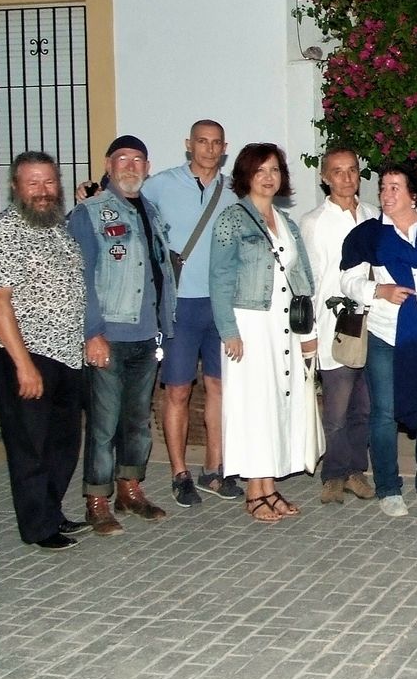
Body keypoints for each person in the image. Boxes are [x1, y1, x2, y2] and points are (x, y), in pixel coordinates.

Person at [68, 135, 177, 534]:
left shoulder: (152, 211)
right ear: (109, 165)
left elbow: (160, 274)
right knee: (103, 422)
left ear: (147, 168)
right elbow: (79, 279)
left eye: (138, 160)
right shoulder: (90, 213)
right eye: (122, 159)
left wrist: (168, 326)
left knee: (137, 420)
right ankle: (97, 499)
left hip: (148, 335)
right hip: (108, 335)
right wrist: (91, 332)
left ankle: (129, 489)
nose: (130, 167)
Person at [209, 143, 324, 523]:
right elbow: (221, 277)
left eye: (274, 169)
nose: (269, 176)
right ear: (246, 176)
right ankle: (254, 491)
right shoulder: (232, 219)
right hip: (249, 322)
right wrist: (229, 331)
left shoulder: (286, 223)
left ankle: (268, 484)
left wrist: (308, 332)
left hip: (285, 325)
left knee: (277, 401)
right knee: (253, 405)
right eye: (260, 170)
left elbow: (301, 279)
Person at [0, 151, 88, 550]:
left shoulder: (58, 228)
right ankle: (38, 528)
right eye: (33, 183)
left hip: (65, 352)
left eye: (48, 182)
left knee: (63, 442)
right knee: (30, 445)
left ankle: (52, 511)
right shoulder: (4, 232)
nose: (42, 191)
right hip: (25, 354)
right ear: (16, 187)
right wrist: (23, 365)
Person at [339, 164, 417, 516]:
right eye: (383, 188)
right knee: (384, 413)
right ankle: (389, 488)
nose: (386, 194)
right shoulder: (368, 234)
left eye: (395, 187)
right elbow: (347, 281)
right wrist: (380, 289)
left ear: (413, 195)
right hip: (386, 333)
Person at [141, 119, 234, 502]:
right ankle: (179, 472)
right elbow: (125, 203)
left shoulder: (233, 191)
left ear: (224, 148)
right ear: (188, 144)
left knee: (219, 388)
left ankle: (214, 468)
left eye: (216, 143)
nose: (209, 149)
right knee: (177, 389)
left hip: (222, 304)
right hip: (179, 305)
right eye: (202, 142)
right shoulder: (159, 185)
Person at [300, 148, 380, 504]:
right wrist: (310, 334)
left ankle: (354, 470)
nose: (346, 178)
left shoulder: (374, 216)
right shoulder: (314, 223)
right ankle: (333, 474)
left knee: (364, 405)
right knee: (336, 406)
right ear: (325, 177)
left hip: (373, 320)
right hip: (335, 323)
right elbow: (309, 281)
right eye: (338, 172)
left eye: (351, 170)